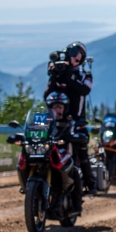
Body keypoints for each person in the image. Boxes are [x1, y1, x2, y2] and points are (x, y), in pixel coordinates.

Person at [44, 42, 97, 194]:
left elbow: (84, 90)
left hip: (76, 120)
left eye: (79, 55)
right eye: (73, 53)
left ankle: (89, 182)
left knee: (81, 148)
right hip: (54, 121)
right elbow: (46, 95)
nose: (75, 57)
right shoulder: (58, 74)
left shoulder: (85, 75)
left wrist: (68, 76)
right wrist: (54, 75)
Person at [45, 92, 84, 215]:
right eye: (54, 107)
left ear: (65, 108)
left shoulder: (70, 122)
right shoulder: (43, 121)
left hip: (66, 155)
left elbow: (81, 133)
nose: (57, 110)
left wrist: (74, 136)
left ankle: (77, 206)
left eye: (60, 107)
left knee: (75, 173)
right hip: (46, 154)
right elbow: (33, 131)